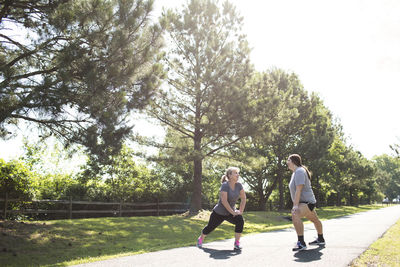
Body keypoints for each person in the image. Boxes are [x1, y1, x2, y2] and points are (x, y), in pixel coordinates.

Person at [197, 166, 246, 250]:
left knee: (240, 221)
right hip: (219, 213)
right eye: (236, 173)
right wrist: (233, 212)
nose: (238, 175)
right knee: (210, 228)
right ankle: (201, 239)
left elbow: (244, 198)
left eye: (238, 173)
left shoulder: (239, 185)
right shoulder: (225, 185)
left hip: (230, 212)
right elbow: (224, 201)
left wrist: (240, 211)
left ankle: (237, 243)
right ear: (230, 175)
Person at [287, 154, 325, 251]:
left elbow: (299, 190)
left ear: (293, 161)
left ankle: (301, 243)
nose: (287, 162)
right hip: (305, 203)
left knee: (295, 214)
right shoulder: (295, 172)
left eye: (288, 160)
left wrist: (295, 206)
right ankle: (320, 238)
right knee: (315, 220)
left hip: (307, 203)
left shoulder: (299, 171)